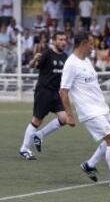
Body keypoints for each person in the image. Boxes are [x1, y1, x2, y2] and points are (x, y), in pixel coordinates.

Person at [59, 31, 110, 188]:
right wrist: (69, 115)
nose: (93, 47)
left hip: (101, 108)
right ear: (83, 44)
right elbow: (63, 91)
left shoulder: (86, 61)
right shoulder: (71, 64)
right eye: (91, 44)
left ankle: (89, 165)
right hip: (89, 111)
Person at [19, 31, 68, 160]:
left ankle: (39, 135)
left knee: (64, 118)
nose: (63, 42)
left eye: (65, 40)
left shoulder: (65, 57)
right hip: (43, 92)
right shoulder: (47, 53)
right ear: (54, 41)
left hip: (55, 93)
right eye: (60, 39)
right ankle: (24, 149)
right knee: (37, 120)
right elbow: (32, 66)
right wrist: (35, 59)